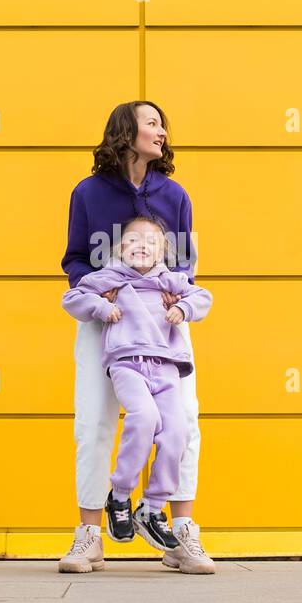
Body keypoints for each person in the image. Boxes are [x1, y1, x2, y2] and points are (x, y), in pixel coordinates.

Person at [58, 101, 216, 575]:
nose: (162, 131)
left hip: (163, 323)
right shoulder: (87, 193)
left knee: (184, 421)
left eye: (163, 123)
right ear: (125, 132)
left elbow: (186, 263)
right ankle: (89, 536)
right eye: (152, 123)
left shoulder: (174, 194)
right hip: (105, 319)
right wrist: (100, 287)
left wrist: (177, 301)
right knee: (94, 423)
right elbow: (74, 260)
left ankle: (180, 534)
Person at [61, 216, 213, 555]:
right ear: (119, 249)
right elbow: (72, 298)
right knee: (144, 418)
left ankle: (151, 506)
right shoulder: (108, 278)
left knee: (178, 432)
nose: (142, 246)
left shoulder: (171, 281)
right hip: (127, 363)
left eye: (151, 242)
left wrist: (184, 308)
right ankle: (119, 497)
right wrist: (101, 306)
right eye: (133, 240)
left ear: (162, 252)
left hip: (168, 367)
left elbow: (203, 297)